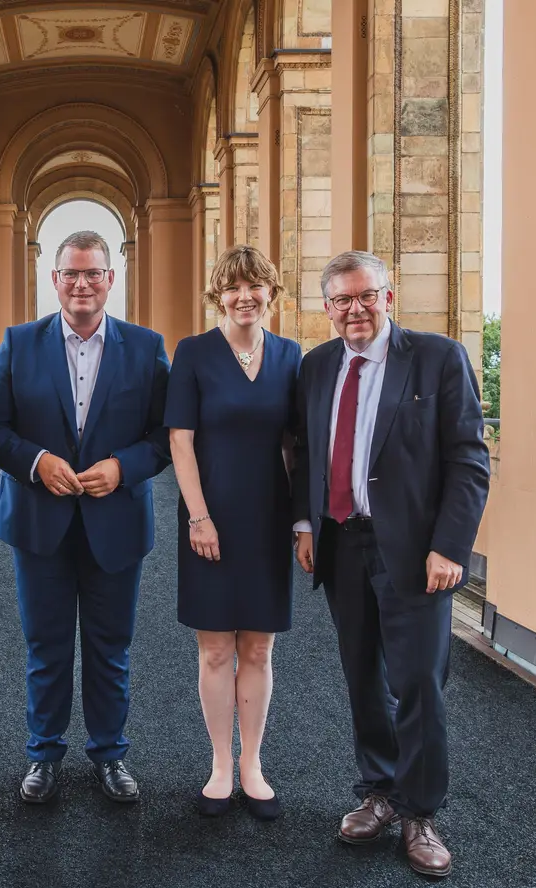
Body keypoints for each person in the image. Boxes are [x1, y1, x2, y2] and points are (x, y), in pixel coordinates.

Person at [291, 250, 489, 878]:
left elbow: (469, 462)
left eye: (365, 296)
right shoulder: (317, 366)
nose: (355, 309)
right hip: (342, 542)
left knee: (419, 681)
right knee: (362, 676)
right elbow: (305, 450)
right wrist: (305, 523)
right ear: (327, 309)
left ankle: (420, 812)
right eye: (342, 300)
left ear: (388, 296)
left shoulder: (437, 358)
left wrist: (451, 547)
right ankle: (376, 790)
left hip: (414, 551)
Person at [0, 230, 171, 805]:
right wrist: (36, 462)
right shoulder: (18, 344)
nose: (82, 283)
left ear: (111, 279)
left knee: (111, 646)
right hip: (39, 522)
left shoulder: (146, 347)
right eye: (72, 273)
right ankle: (43, 754)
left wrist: (124, 467)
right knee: (46, 645)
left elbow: (165, 435)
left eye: (94, 273)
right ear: (55, 279)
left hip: (116, 520)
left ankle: (110, 754)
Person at [165, 245, 301, 821]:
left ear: (272, 293)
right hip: (209, 519)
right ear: (217, 295)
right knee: (217, 647)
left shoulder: (292, 356)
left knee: (260, 647)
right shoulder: (193, 353)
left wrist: (302, 520)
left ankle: (253, 764)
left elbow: (298, 445)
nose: (245, 296)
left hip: (268, 519)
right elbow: (180, 440)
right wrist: (199, 516)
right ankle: (220, 764)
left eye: (256, 286)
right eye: (233, 287)